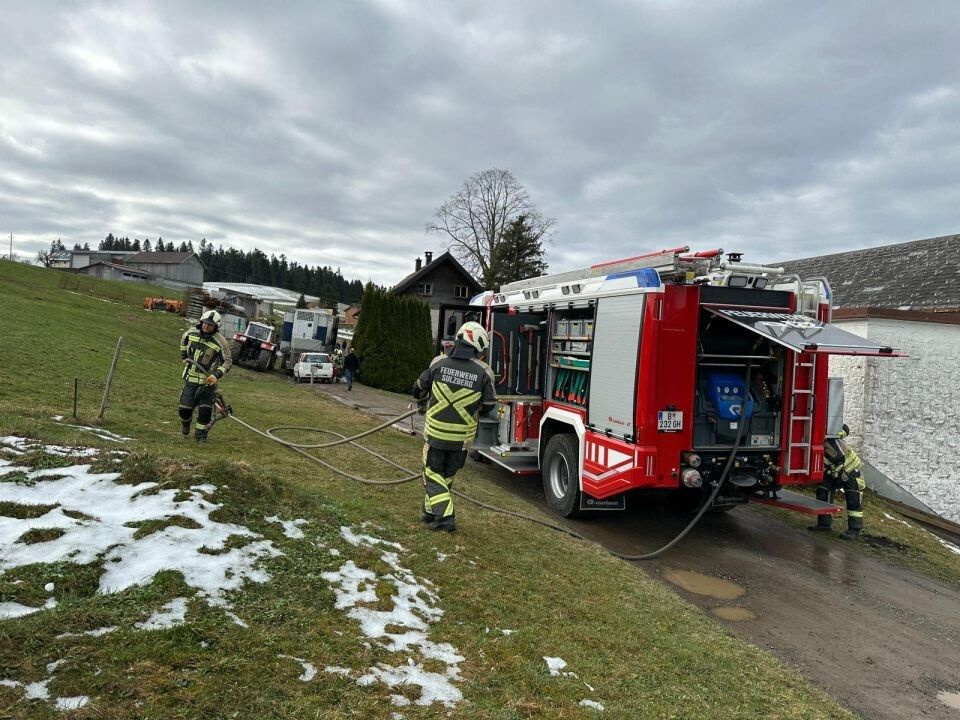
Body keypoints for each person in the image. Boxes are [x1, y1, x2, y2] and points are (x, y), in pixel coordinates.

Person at [412, 321, 497, 532]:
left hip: (436, 434)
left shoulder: (438, 363)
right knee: (446, 476)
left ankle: (446, 517)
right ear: (477, 345)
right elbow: (488, 405)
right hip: (462, 440)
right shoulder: (485, 372)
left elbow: (418, 388)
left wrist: (425, 400)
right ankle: (430, 512)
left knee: (432, 473)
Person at [179, 309, 232, 442]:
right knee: (184, 409)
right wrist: (184, 356)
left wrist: (216, 375)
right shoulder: (191, 332)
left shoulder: (220, 342)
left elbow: (227, 361)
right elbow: (183, 340)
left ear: (216, 327)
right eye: (204, 323)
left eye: (210, 325)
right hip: (190, 379)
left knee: (205, 411)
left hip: (208, 384)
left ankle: (200, 436)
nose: (206, 326)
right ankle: (186, 424)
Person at [809, 423, 865, 540]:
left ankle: (854, 530)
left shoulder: (828, 437)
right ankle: (824, 524)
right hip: (834, 471)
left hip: (851, 470)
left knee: (853, 499)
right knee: (823, 492)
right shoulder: (816, 442)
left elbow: (845, 429)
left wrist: (833, 432)